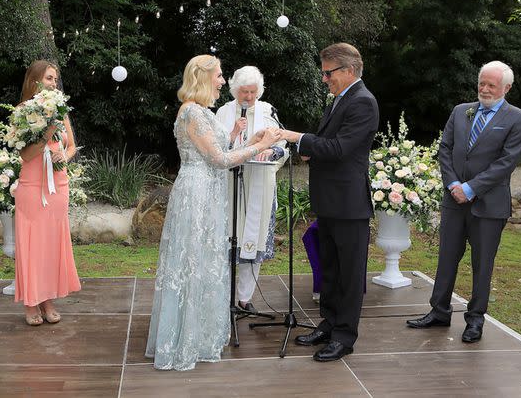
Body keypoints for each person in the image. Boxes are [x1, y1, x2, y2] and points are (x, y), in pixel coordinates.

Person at [145, 55, 281, 371]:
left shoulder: (203, 112)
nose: (222, 81)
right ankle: (182, 339)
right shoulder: (191, 111)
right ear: (203, 78)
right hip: (196, 192)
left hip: (209, 191)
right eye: (219, 76)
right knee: (192, 260)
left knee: (203, 261)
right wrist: (259, 148)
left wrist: (248, 137)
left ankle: (199, 334)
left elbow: (216, 149)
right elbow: (219, 160)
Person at [406, 61, 521, 343]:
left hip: (488, 205)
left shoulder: (518, 118)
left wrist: (472, 188)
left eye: (491, 85)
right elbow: (445, 149)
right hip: (453, 200)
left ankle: (475, 320)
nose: (484, 89)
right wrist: (453, 185)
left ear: (506, 88)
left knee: (482, 264)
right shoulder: (461, 111)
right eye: (481, 84)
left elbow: (506, 162)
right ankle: (438, 311)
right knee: (446, 258)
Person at [280, 42, 379, 361]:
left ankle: (344, 336)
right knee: (331, 269)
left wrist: (297, 138)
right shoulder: (340, 99)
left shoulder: (363, 102)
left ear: (348, 70)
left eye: (328, 73)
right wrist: (310, 149)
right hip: (330, 202)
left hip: (350, 205)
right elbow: (331, 145)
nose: (324, 79)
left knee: (350, 274)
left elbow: (341, 149)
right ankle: (329, 323)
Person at [216, 66, 288, 315]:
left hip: (260, 182)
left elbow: (282, 144)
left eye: (253, 92)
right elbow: (216, 148)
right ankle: (223, 297)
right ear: (235, 90)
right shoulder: (223, 112)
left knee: (252, 240)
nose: (249, 97)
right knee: (228, 240)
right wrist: (234, 133)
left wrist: (273, 150)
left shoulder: (269, 111)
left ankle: (245, 298)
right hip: (230, 185)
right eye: (244, 92)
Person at [13, 60, 81, 326]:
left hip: (58, 187)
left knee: (52, 245)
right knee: (32, 245)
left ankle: (48, 299)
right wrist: (46, 136)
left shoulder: (61, 111)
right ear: (35, 81)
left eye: (56, 79)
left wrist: (62, 155)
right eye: (50, 78)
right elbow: (25, 154)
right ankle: (31, 303)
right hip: (32, 188)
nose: (54, 83)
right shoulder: (22, 111)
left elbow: (72, 145)